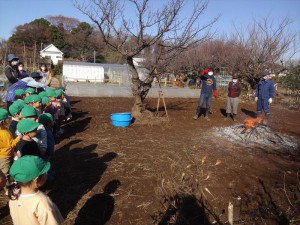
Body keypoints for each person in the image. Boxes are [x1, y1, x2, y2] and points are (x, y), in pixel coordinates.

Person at [7, 155, 64, 224]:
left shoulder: (13, 194)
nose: (46, 174)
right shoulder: (42, 202)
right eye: (45, 172)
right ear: (36, 180)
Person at [0, 108, 21, 176]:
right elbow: (10, 145)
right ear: (2, 122)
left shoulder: (5, 129)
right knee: (5, 173)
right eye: (7, 119)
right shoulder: (2, 133)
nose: (9, 120)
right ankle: (5, 185)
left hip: (8, 154)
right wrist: (18, 138)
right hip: (4, 157)